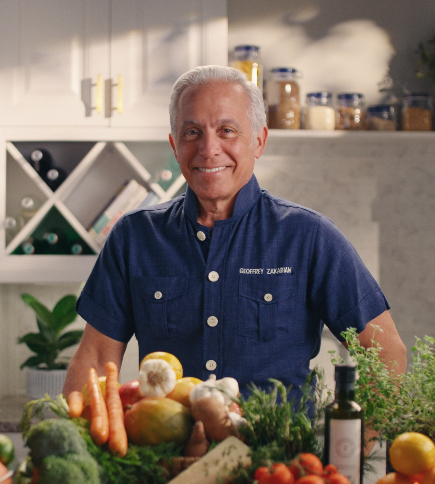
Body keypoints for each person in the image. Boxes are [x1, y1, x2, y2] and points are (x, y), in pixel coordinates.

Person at [63, 65, 407, 398]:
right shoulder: (134, 237)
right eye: (192, 132)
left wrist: (352, 445)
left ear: (259, 141)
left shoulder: (309, 237)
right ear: (174, 145)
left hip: (278, 457)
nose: (208, 149)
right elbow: (94, 359)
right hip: (163, 455)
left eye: (226, 130)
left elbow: (386, 353)